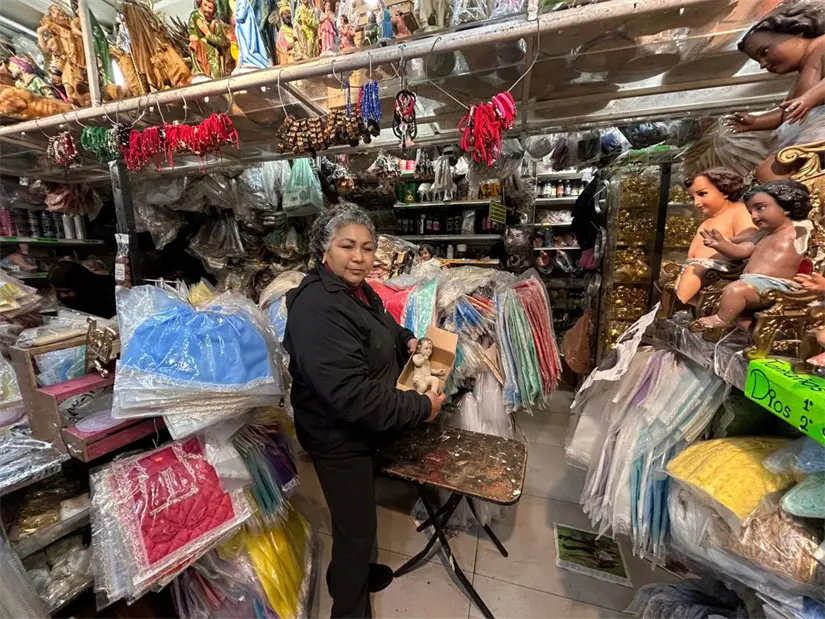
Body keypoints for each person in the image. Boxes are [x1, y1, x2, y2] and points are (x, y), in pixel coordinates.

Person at [283, 204, 445, 619]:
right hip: (338, 437)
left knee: (359, 521)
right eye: (347, 246)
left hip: (360, 430)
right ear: (325, 249)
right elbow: (350, 396)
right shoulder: (317, 307)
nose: (359, 256)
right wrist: (421, 406)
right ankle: (349, 609)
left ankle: (347, 577)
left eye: (368, 248)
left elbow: (386, 329)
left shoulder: (358, 291)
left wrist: (409, 342)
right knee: (355, 531)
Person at [696, 180, 812, 329]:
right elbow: (742, 250)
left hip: (776, 286)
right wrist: (721, 245)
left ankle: (722, 319)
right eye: (751, 212)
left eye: (760, 208)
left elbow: (815, 238)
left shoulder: (798, 230)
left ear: (786, 206)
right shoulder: (762, 235)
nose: (755, 216)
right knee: (736, 300)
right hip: (752, 284)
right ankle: (745, 329)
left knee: (735, 290)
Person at [729, 1, 825, 181]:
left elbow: (802, 104)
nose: (763, 64)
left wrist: (809, 99)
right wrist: (757, 121)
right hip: (801, 145)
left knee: (773, 169)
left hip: (818, 138)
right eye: (759, 61)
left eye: (765, 52)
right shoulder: (801, 76)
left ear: (797, 30)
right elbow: (787, 113)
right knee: (770, 170)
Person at [675, 168, 757, 304]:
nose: (696, 203)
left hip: (717, 269)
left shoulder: (738, 210)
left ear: (724, 191)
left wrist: (726, 241)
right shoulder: (710, 219)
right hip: (695, 268)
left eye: (702, 194)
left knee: (691, 275)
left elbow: (751, 233)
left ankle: (673, 306)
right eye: (692, 198)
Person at [48, 260, 116, 318]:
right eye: (56, 291)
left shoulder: (107, 293)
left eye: (66, 291)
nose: (62, 295)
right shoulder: (74, 296)